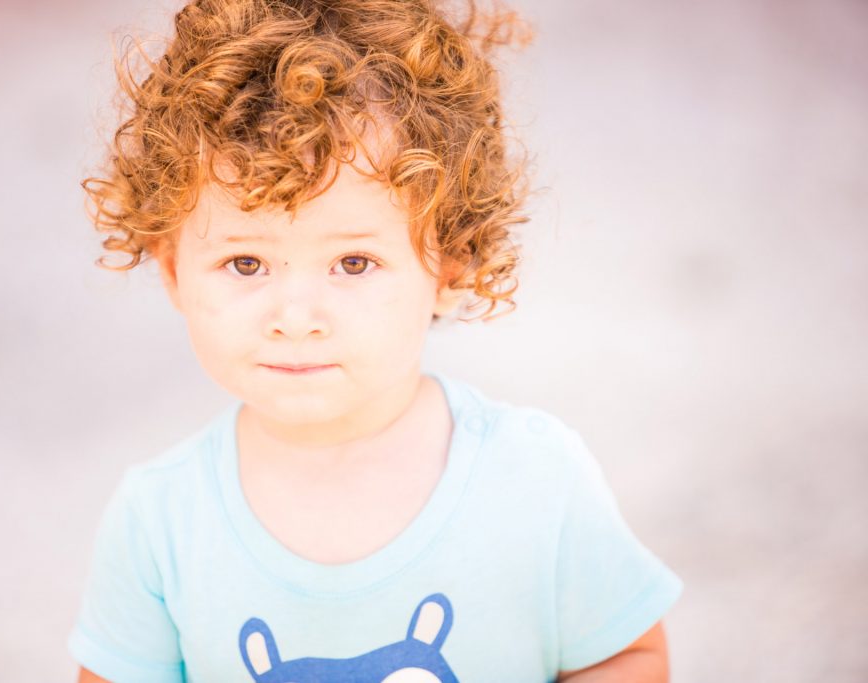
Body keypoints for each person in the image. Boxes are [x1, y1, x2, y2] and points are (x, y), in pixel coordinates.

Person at [68, 0, 683, 681]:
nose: (295, 317)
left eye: (353, 263)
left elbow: (628, 654)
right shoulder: (159, 521)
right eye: (245, 263)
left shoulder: (535, 479)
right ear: (173, 271)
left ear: (451, 266)